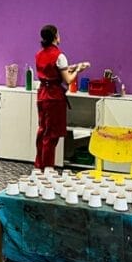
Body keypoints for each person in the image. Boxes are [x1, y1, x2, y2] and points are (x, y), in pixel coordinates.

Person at [34, 24, 89, 171]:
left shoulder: (39, 55)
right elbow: (68, 80)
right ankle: (48, 169)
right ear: (55, 37)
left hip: (42, 95)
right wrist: (78, 69)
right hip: (54, 97)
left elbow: (52, 71)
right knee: (51, 136)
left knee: (42, 131)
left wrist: (69, 67)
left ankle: (39, 166)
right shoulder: (60, 55)